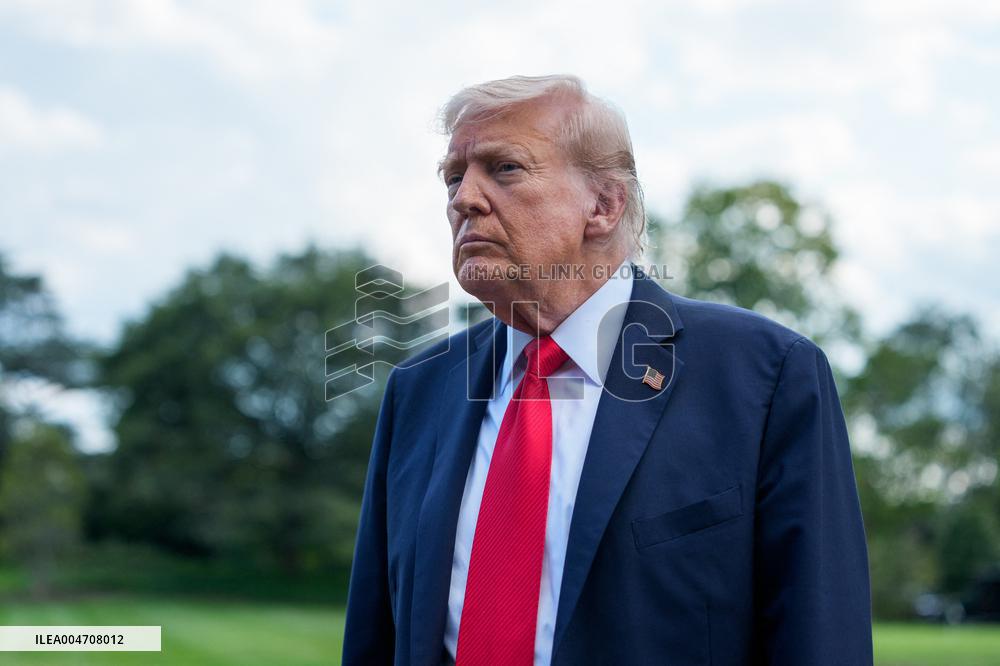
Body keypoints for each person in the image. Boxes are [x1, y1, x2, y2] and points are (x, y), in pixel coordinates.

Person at [342, 74, 873, 666]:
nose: (464, 197)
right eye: (453, 176)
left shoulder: (766, 378)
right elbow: (375, 636)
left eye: (505, 168)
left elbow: (822, 638)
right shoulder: (417, 390)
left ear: (604, 204)